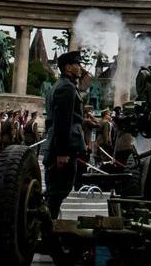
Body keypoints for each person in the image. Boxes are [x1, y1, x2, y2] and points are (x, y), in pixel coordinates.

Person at [45, 50, 86, 219]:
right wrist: (62, 152)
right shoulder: (67, 88)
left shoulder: (60, 85)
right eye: (77, 64)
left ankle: (48, 223)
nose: (80, 68)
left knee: (56, 189)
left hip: (58, 143)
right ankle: (47, 226)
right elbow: (63, 121)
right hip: (63, 147)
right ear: (68, 67)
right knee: (59, 188)